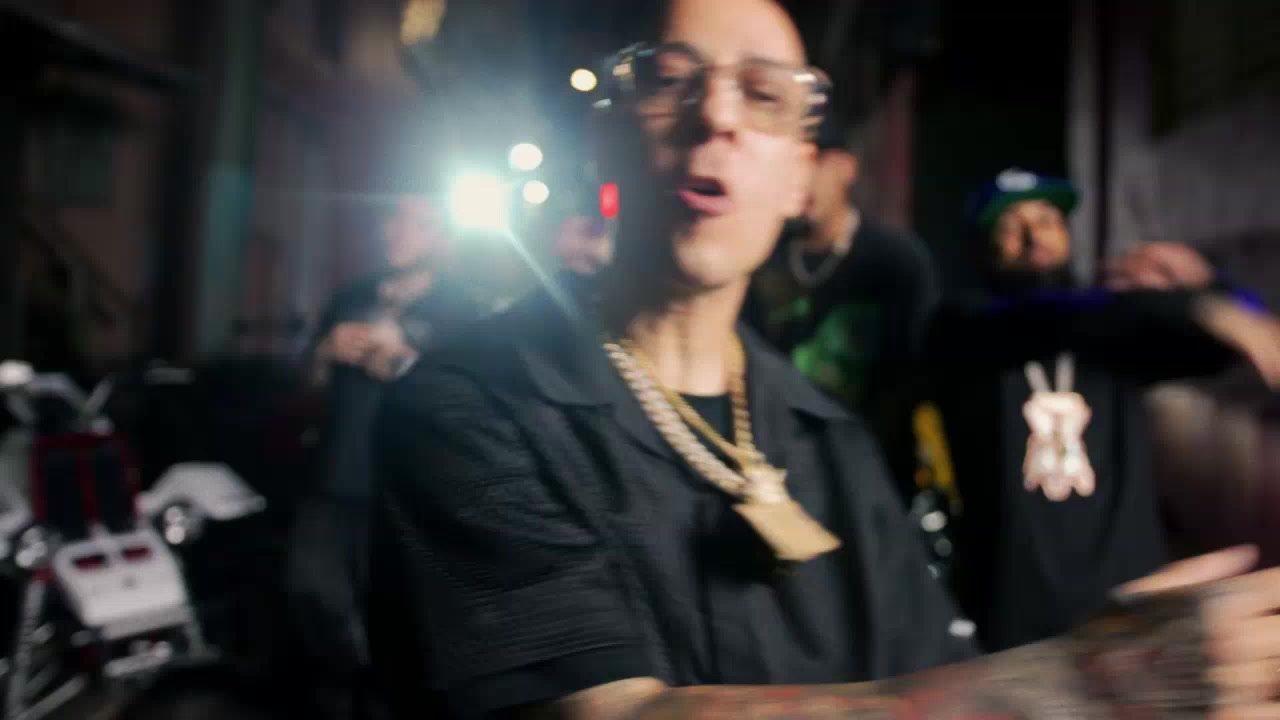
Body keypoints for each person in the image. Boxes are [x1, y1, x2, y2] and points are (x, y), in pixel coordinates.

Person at [370, 3, 1280, 719]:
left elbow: (936, 674)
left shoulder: (828, 442)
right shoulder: (467, 407)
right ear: (604, 137)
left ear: (799, 180)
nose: (716, 114)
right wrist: (1081, 686)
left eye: (764, 96)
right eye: (669, 80)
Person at [927, 168, 1280, 653]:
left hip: (1131, 607)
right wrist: (1190, 306)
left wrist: (1208, 283)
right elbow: (1046, 317)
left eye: (1047, 220)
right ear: (982, 246)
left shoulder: (1115, 336)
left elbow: (1232, 344)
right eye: (1011, 226)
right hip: (1015, 618)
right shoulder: (963, 326)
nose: (1034, 236)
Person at [288, 195, 480, 720]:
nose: (398, 230)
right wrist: (325, 352)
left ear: (441, 238)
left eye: (417, 222)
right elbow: (304, 382)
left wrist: (403, 364)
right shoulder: (351, 297)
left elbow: (469, 405)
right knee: (310, 594)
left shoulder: (461, 310)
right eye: (393, 217)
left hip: (406, 491)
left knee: (394, 626)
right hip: (333, 478)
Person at [745, 113, 939, 501]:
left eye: (815, 159)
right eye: (792, 159)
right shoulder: (760, 255)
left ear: (846, 167)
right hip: (775, 474)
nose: (802, 175)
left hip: (872, 474)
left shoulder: (895, 259)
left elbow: (915, 372)